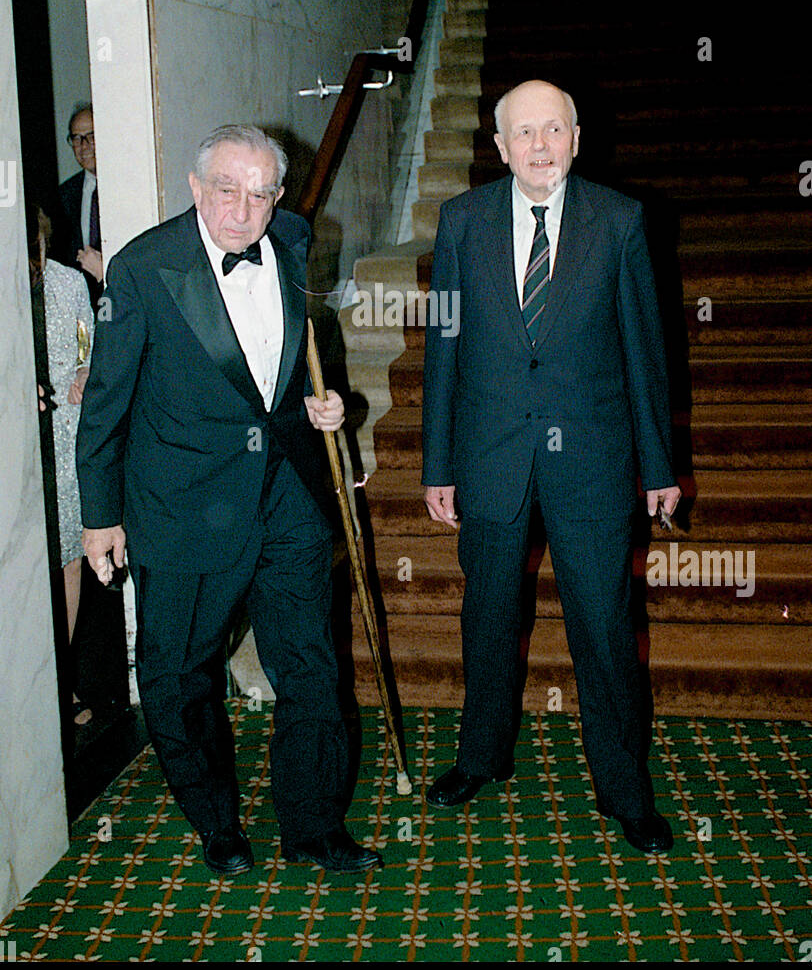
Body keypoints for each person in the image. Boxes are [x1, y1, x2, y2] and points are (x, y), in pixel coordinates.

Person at [76, 124, 381, 875]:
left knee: (310, 667)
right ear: (194, 187)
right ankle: (216, 820)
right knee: (178, 676)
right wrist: (98, 515)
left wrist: (329, 399)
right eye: (226, 190)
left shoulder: (298, 241)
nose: (244, 211)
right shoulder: (144, 269)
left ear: (278, 197)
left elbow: (307, 352)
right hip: (181, 503)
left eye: (261, 193)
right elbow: (106, 402)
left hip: (286, 496)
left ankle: (313, 826)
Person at [421, 79, 681, 854]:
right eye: (524, 133)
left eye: (554, 130)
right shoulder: (461, 221)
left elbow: (645, 351)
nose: (540, 146)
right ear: (499, 147)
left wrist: (659, 465)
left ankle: (625, 791)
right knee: (489, 618)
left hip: (594, 463)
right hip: (491, 458)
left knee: (602, 628)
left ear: (576, 136)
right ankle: (480, 757)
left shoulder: (620, 221)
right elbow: (443, 352)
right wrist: (439, 463)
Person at [28, 203, 95, 725]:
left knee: (68, 555)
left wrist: (84, 372)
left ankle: (61, 681)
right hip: (18, 441)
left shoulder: (69, 284)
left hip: (65, 433)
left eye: (39, 249)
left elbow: (86, 345)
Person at [58, 104, 103, 306]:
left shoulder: (123, 189)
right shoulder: (65, 193)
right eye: (76, 138)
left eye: (91, 136)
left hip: (120, 299)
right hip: (80, 304)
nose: (84, 146)